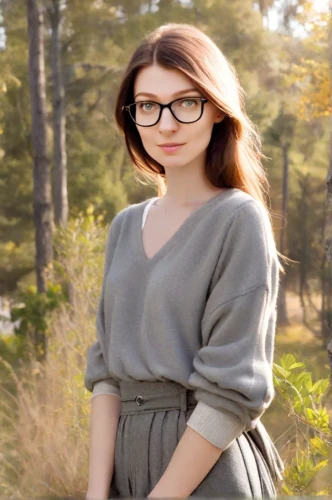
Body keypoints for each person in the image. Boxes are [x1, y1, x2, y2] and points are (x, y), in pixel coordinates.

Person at [84, 22, 286, 500]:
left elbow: (231, 392)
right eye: (149, 106)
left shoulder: (238, 220)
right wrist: (95, 492)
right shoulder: (124, 227)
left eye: (186, 102)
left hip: (204, 470)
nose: (167, 124)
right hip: (124, 467)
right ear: (132, 116)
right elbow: (107, 375)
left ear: (216, 108)